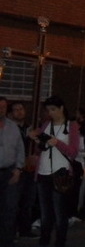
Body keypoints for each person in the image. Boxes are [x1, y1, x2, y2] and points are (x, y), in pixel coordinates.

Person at [29, 96, 80, 247]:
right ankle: (43, 242)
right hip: (43, 174)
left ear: (62, 108)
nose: (51, 113)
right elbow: (40, 149)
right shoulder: (46, 124)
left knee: (60, 215)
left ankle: (59, 243)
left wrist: (57, 143)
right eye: (48, 110)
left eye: (53, 109)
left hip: (61, 175)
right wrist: (38, 141)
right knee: (45, 215)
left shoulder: (71, 126)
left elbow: (73, 152)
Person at [9, 101, 39, 239]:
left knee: (28, 201)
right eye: (16, 110)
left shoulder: (30, 128)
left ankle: (24, 229)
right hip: (15, 168)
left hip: (29, 169)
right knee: (13, 202)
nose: (19, 112)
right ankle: (11, 231)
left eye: (21, 109)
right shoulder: (9, 128)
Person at [0, 96, 25, 247]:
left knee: (9, 210)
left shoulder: (12, 127)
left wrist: (18, 169)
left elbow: (20, 150)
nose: (1, 109)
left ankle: (6, 242)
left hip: (10, 173)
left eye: (3, 106)